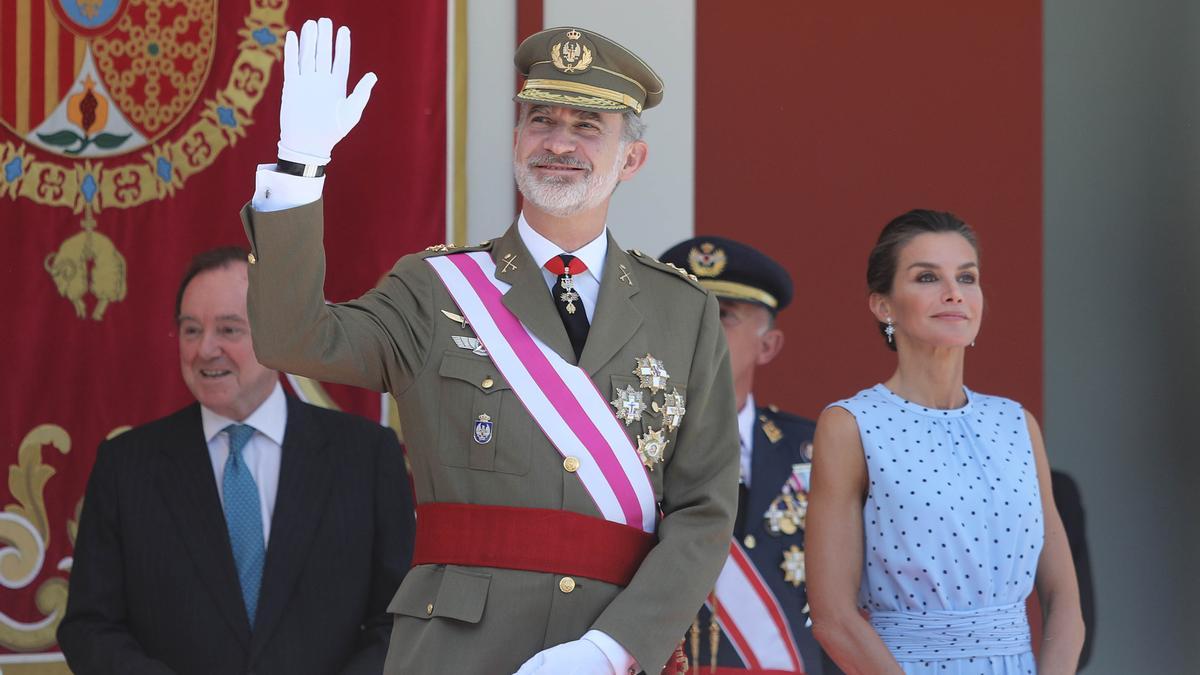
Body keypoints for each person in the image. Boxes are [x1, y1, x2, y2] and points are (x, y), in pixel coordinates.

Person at [239, 19, 738, 675]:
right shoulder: (434, 287)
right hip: (457, 650)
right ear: (514, 139)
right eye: (540, 119)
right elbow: (291, 338)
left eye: (587, 125)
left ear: (632, 158)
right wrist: (300, 169)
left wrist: (610, 649)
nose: (558, 142)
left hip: (615, 649)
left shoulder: (685, 310)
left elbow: (705, 509)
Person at [58, 247, 414, 675]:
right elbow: (89, 627)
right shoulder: (126, 466)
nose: (205, 349)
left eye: (228, 329)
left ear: (276, 334)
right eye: (191, 331)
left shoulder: (366, 457)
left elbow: (401, 621)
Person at [805, 210, 1084, 674]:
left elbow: (1065, 603)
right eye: (927, 277)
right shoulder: (851, 425)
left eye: (967, 276)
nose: (954, 292)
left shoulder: (1017, 424)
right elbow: (833, 618)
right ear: (883, 305)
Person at [659, 236, 839, 674]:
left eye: (722, 316)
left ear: (768, 346)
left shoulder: (815, 451)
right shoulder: (622, 444)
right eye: (687, 312)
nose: (700, 328)